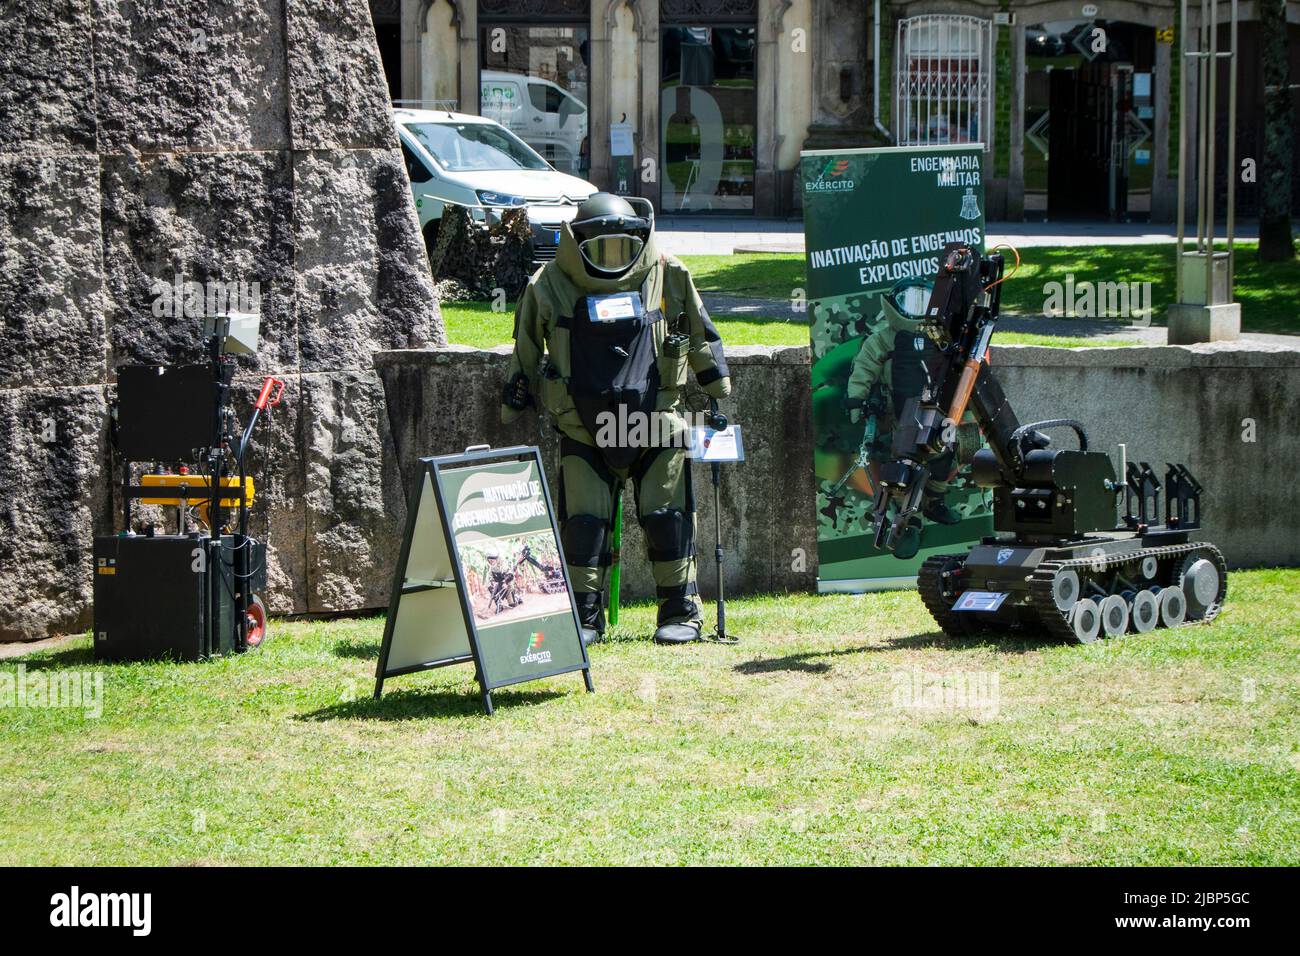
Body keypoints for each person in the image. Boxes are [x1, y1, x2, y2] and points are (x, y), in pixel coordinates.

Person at [501, 193, 730, 645]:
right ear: (578, 243)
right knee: (584, 523)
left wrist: (715, 384)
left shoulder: (668, 272)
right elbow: (525, 348)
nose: (612, 258)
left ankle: (680, 609)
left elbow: (702, 333)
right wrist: (516, 397)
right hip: (582, 426)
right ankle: (584, 617)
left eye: (622, 247)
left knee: (669, 516)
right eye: (601, 247)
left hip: (657, 421)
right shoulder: (547, 284)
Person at [844, 279, 968, 556]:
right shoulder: (883, 339)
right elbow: (863, 369)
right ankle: (907, 518)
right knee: (904, 461)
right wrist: (856, 400)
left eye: (922, 302)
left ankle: (934, 502)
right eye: (910, 303)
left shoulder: (942, 336)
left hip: (940, 412)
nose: (916, 310)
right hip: (899, 413)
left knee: (946, 456)